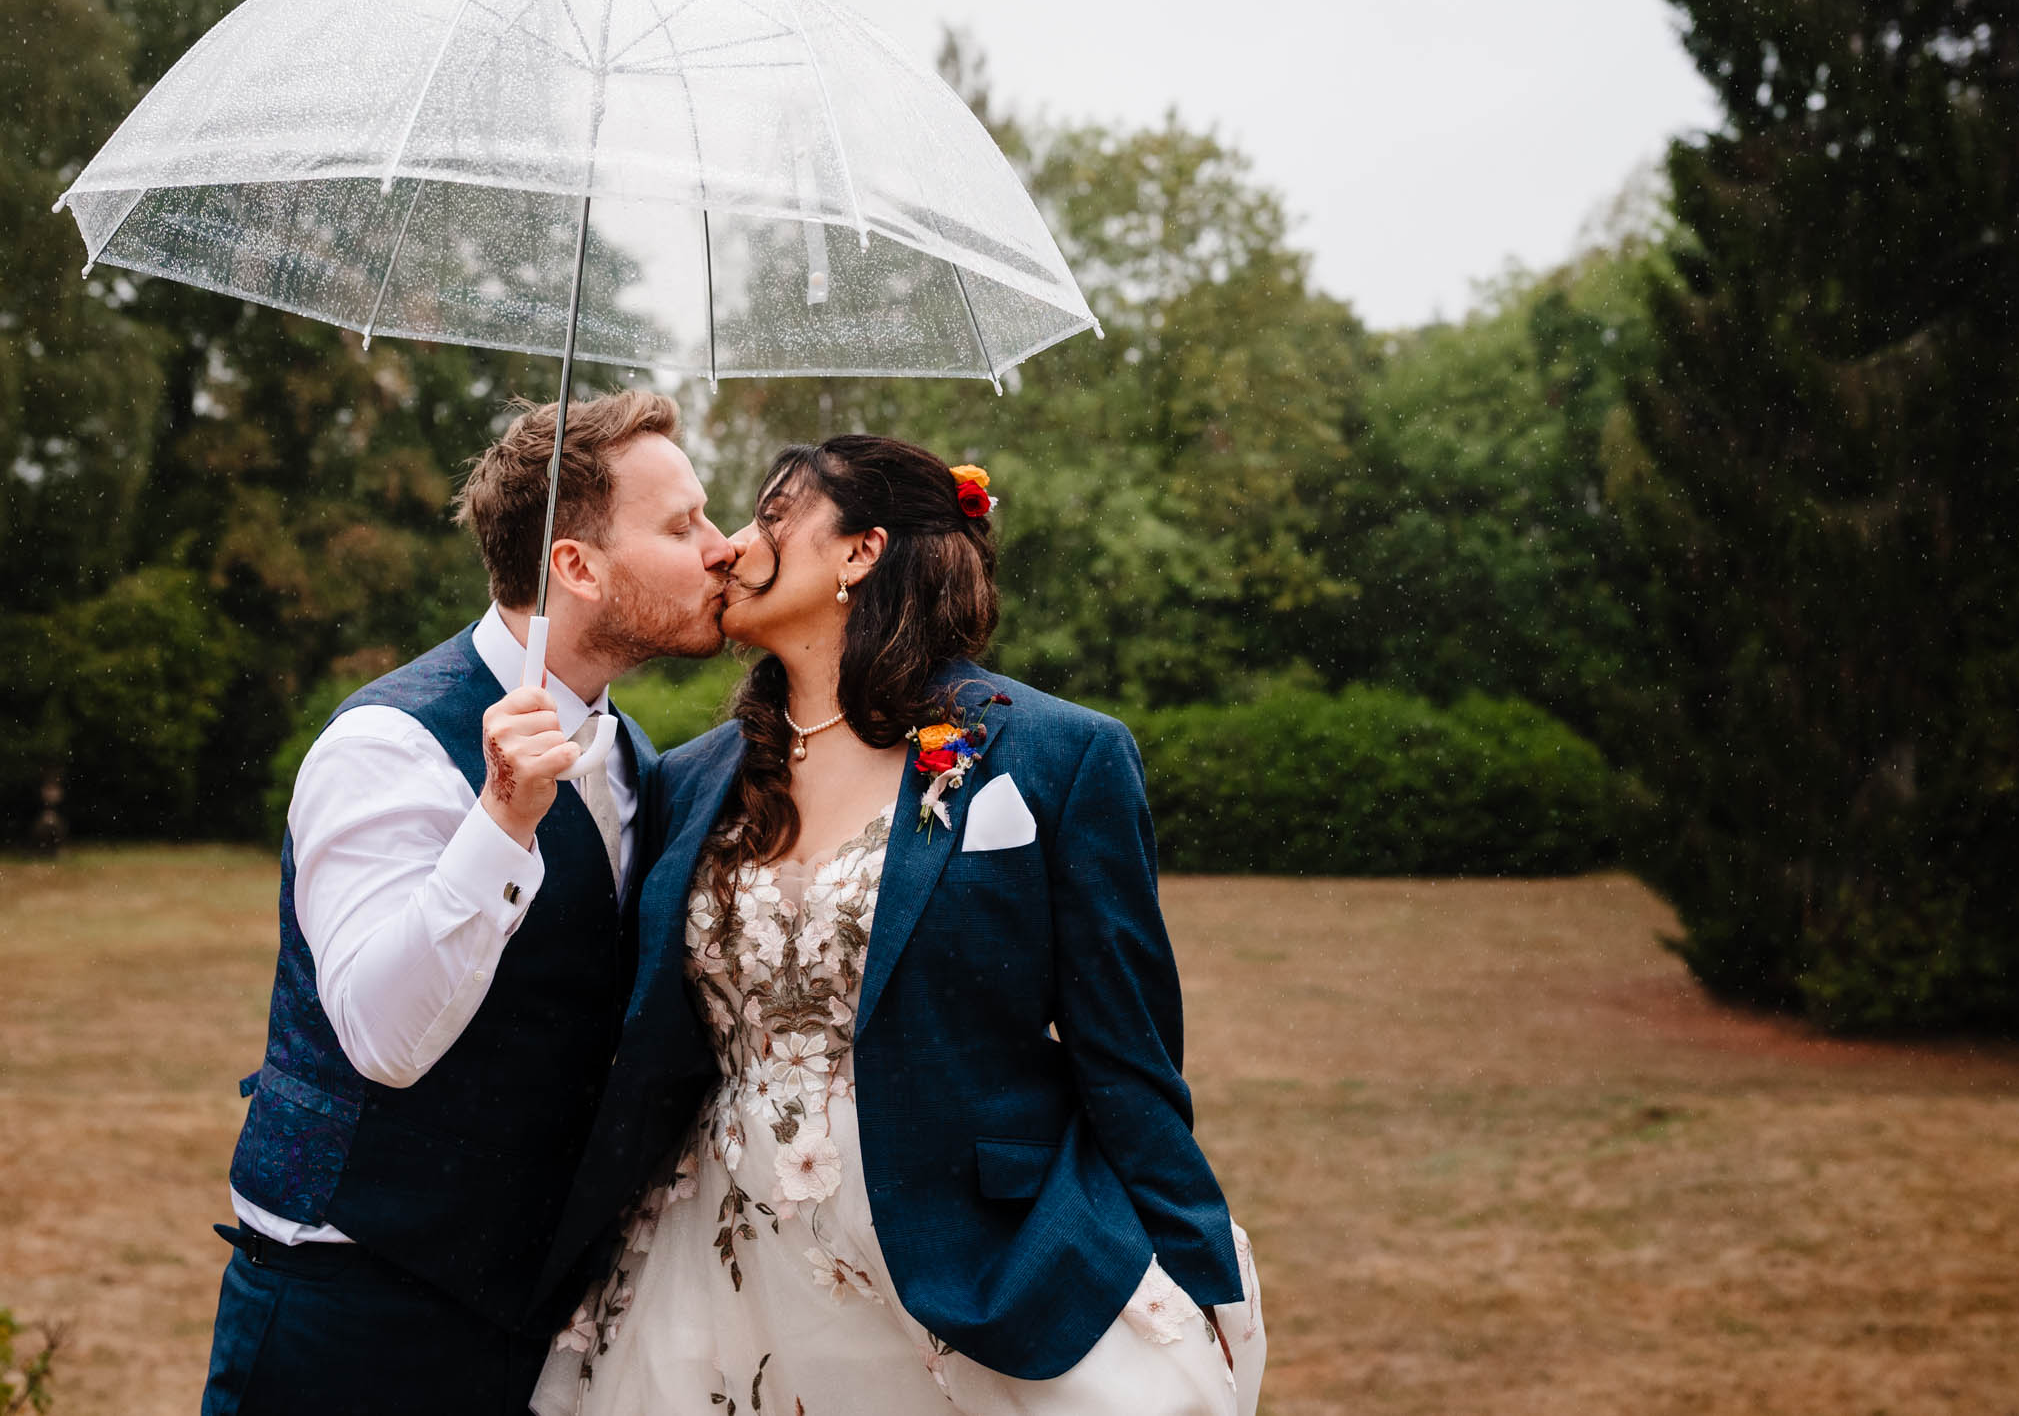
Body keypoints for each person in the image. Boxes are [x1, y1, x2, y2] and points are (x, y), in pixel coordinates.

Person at [535, 435, 1265, 1416]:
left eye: (772, 516)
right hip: (719, 1260)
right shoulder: (689, 778)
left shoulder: (1055, 756)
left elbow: (1128, 1061)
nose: (730, 545)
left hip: (969, 1250)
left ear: (861, 551)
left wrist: (1199, 1266)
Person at [202, 392, 739, 1416]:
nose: (721, 547)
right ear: (576, 565)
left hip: (528, 1309)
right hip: (354, 1308)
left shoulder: (632, 755)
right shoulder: (387, 746)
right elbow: (382, 1037)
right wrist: (501, 821)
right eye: (682, 526)